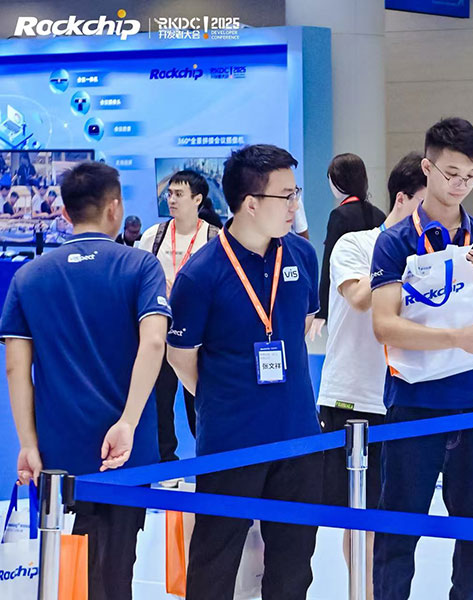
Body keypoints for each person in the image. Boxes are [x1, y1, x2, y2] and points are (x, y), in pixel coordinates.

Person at [0, 161, 170, 600]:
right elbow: (154, 342)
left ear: (65, 211)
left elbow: (17, 367)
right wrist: (128, 421)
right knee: (115, 567)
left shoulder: (29, 275)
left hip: (57, 450)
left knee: (63, 565)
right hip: (126, 450)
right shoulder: (140, 265)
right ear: (115, 207)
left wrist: (28, 443)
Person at [166, 144, 322, 600]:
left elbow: (302, 324)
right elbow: (181, 355)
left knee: (293, 566)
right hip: (231, 441)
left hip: (298, 435)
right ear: (250, 203)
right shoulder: (201, 274)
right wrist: (224, 397)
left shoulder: (301, 255)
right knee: (215, 562)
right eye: (286, 196)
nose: (295, 206)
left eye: (296, 194)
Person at [370, 117, 473, 600]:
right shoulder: (395, 241)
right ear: (427, 168)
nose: (460, 185)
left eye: (471, 176)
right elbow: (384, 325)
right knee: (398, 533)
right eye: (452, 174)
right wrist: (457, 338)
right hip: (413, 404)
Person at [317, 151, 426, 599]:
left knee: (396, 517)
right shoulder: (356, 244)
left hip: (407, 396)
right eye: (428, 204)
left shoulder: (431, 253)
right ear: (403, 199)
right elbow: (361, 298)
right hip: (353, 396)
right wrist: (408, 261)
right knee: (358, 516)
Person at [138, 170, 218, 470]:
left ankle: (209, 463)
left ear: (198, 199)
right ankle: (165, 463)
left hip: (201, 335)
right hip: (160, 331)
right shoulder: (153, 236)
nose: (171, 199)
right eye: (169, 193)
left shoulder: (214, 238)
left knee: (201, 401)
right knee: (160, 402)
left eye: (179, 194)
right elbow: (138, 279)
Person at [308, 153, 386, 339]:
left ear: (337, 180)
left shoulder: (339, 216)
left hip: (346, 295)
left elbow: (329, 263)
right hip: (375, 294)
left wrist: (321, 311)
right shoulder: (379, 215)